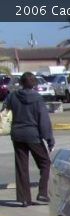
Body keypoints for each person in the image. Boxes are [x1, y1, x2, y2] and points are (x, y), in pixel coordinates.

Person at [1, 72, 54, 207]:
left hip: (17, 134)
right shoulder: (38, 98)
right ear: (34, 83)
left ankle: (24, 199)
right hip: (33, 135)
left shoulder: (13, 96)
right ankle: (42, 193)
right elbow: (44, 120)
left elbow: (4, 108)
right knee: (45, 163)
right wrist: (49, 140)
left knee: (21, 167)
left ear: (21, 83)